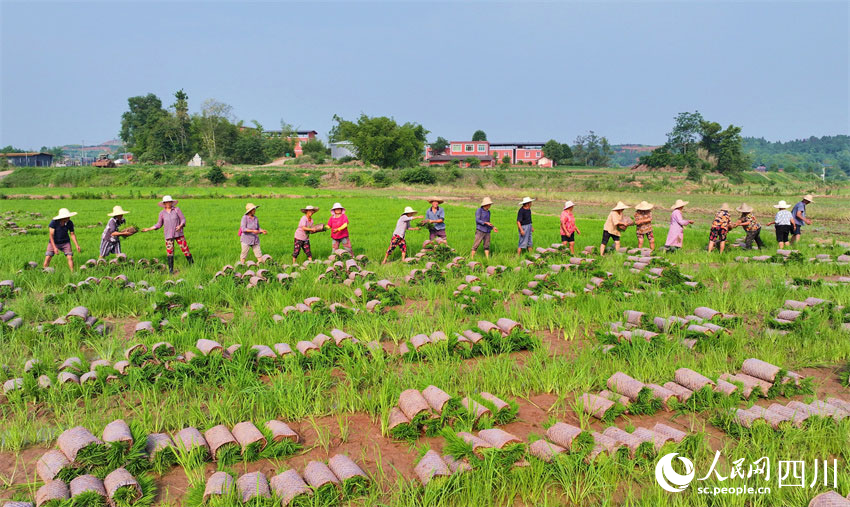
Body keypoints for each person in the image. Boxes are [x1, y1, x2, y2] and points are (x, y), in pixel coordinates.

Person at [142, 195, 193, 274]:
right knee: (170, 252)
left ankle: (192, 266)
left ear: (172, 202)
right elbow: (158, 224)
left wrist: (180, 225)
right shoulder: (162, 213)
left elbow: (183, 219)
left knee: (185, 250)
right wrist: (148, 229)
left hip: (178, 234)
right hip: (168, 235)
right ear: (164, 203)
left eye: (170, 202)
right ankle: (171, 270)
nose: (168, 203)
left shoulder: (176, 210)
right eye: (166, 202)